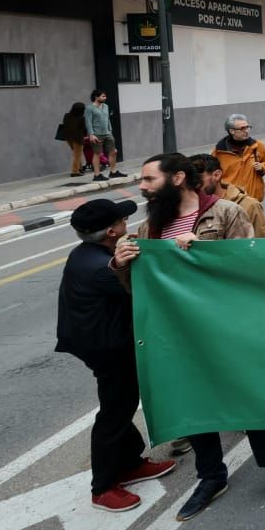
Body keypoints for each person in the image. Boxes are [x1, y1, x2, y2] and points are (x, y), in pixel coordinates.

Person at [111, 153, 265, 521]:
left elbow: (250, 268)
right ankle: (211, 477)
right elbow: (140, 290)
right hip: (179, 336)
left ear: (177, 178)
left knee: (249, 400)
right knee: (195, 406)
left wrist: (205, 255)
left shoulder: (226, 213)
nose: (142, 187)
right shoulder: (150, 228)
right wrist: (121, 263)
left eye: (149, 180)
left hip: (228, 332)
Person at [56, 197, 176, 512]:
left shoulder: (88, 253)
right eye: (122, 221)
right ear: (112, 231)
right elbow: (144, 288)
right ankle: (103, 486)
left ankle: (131, 463)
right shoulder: (102, 269)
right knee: (114, 412)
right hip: (107, 348)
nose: (126, 223)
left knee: (121, 404)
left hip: (100, 341)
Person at [190, 154, 265, 238]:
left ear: (216, 175)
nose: (193, 184)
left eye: (198, 178)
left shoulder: (249, 206)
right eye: (189, 181)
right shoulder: (185, 208)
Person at [210, 113, 265, 201]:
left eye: (247, 127)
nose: (246, 131)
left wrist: (263, 167)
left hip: (253, 199)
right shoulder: (219, 151)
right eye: (242, 128)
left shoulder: (257, 146)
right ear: (232, 131)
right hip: (231, 200)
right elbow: (212, 174)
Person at [84, 89, 125, 183]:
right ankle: (97, 175)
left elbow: (108, 119)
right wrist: (91, 134)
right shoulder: (89, 108)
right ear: (96, 97)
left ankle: (113, 172)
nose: (105, 98)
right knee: (97, 154)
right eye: (103, 96)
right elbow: (88, 122)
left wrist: (110, 130)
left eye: (105, 96)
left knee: (113, 151)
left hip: (107, 133)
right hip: (96, 134)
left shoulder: (106, 106)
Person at [60, 102, 88, 177]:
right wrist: (86, 135)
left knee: (76, 154)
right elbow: (84, 128)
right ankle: (75, 172)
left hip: (68, 138)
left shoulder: (66, 115)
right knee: (77, 155)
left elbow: (65, 124)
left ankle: (80, 168)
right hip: (78, 138)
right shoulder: (81, 118)